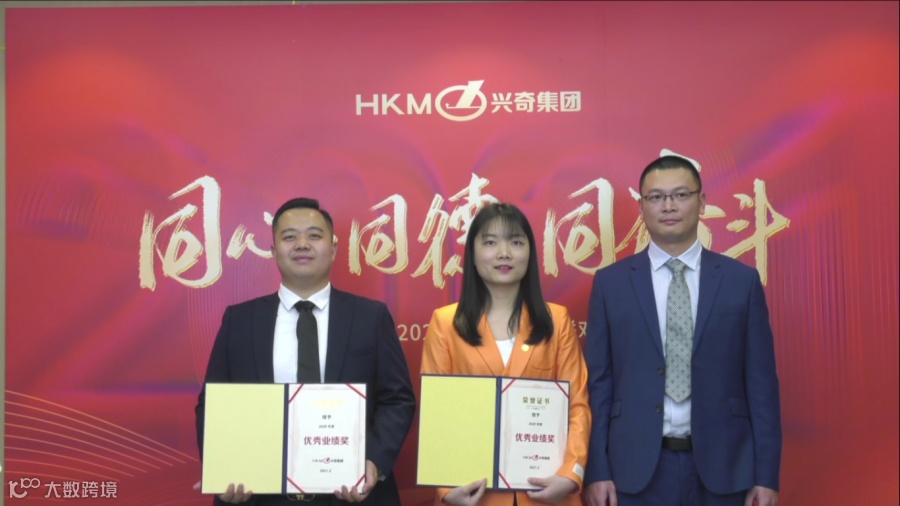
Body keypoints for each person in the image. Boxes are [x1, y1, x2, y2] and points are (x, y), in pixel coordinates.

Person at [583, 155, 782, 506]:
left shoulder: (741, 282)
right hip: (635, 470)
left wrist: (765, 475)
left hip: (725, 467)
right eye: (656, 197)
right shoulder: (611, 284)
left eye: (680, 195)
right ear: (642, 207)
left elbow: (761, 385)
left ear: (701, 202)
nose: (669, 206)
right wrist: (597, 469)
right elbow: (598, 384)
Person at [195, 197, 417, 506]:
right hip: (261, 496)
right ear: (274, 250)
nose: (302, 244)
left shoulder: (370, 317)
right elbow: (214, 403)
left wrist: (374, 462)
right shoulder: (240, 320)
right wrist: (222, 468)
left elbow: (397, 399)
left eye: (314, 235)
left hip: (351, 492)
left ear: (333, 248)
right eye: (289, 237)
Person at [421, 202, 591, 506]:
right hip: (472, 494)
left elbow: (577, 406)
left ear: (530, 253)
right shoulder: (446, 323)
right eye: (490, 242)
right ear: (472, 255)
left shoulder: (556, 320)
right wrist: (446, 489)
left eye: (515, 242)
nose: (504, 253)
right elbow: (436, 414)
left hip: (547, 492)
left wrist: (571, 474)